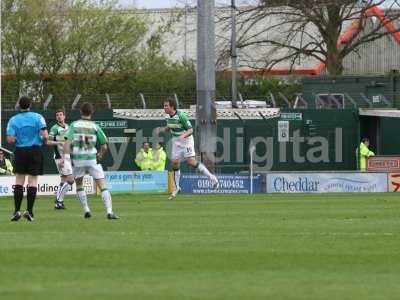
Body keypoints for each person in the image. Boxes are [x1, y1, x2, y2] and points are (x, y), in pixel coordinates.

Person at [62, 102, 119, 219]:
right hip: (92, 159)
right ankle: (109, 211)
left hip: (78, 160)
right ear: (92, 112)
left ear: (80, 112)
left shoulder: (74, 125)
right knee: (102, 185)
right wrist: (100, 154)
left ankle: (86, 210)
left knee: (79, 184)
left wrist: (66, 159)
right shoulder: (95, 126)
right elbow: (104, 145)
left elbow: (66, 143)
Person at [156, 97, 219, 199]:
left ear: (172, 106)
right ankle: (177, 188)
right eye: (164, 105)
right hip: (176, 142)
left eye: (166, 105)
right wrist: (162, 129)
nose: (164, 107)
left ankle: (212, 178)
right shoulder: (167, 116)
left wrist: (183, 136)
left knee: (191, 161)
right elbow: (170, 126)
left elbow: (190, 130)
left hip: (186, 141)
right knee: (175, 163)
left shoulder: (182, 116)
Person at [6, 96, 48, 221]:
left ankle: (16, 211)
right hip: (35, 150)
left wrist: (17, 138)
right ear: (30, 105)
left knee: (19, 181)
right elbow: (44, 135)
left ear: (19, 105)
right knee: (33, 181)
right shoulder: (38, 117)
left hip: (20, 151)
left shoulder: (13, 120)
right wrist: (44, 140)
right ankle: (29, 211)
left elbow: (10, 139)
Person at [48, 109, 73, 209]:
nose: (59, 116)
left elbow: (70, 140)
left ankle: (58, 203)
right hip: (60, 157)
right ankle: (59, 200)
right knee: (71, 180)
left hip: (67, 156)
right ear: (56, 118)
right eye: (57, 115)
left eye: (61, 115)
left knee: (63, 180)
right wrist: (58, 143)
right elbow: (48, 142)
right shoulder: (54, 128)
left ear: (64, 116)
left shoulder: (68, 127)